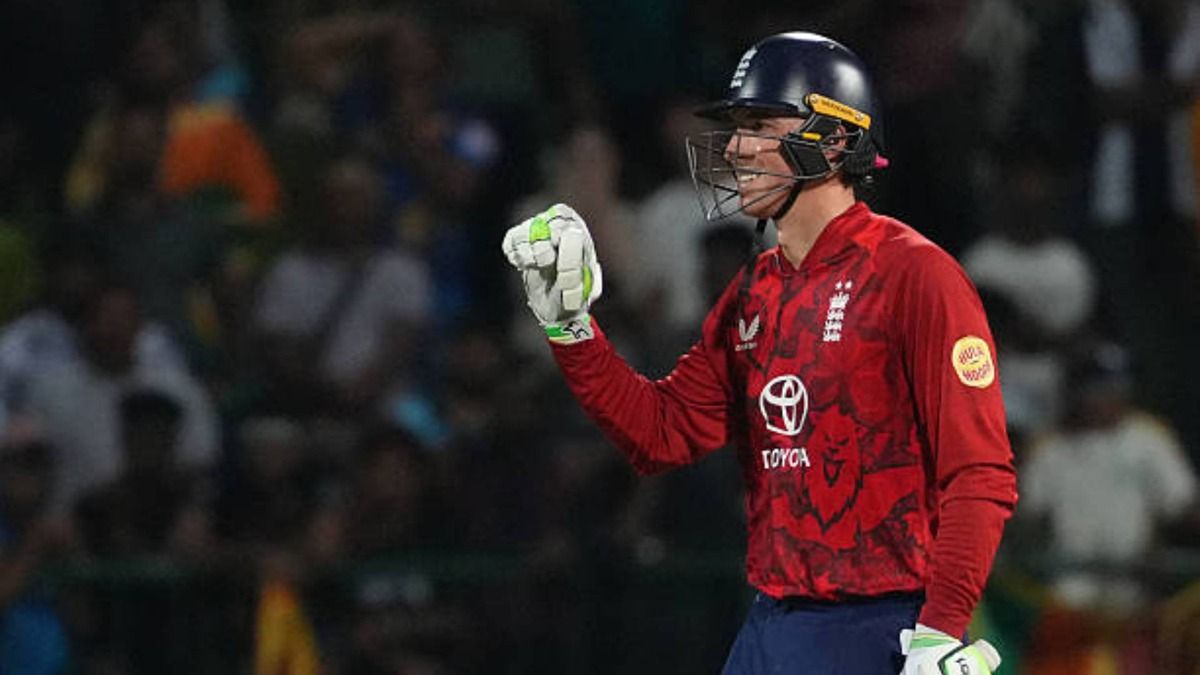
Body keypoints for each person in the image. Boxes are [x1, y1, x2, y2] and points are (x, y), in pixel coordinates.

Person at [502, 32, 1017, 674]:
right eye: (737, 128)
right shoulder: (753, 291)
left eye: (760, 125)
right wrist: (570, 327)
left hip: (882, 624)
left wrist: (940, 632)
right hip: (770, 623)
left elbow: (979, 475)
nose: (737, 147)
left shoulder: (915, 275)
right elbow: (661, 434)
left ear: (834, 139)